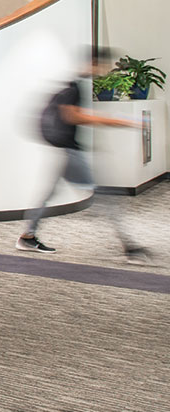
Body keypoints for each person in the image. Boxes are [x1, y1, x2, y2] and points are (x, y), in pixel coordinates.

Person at [18, 47, 150, 264]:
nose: (106, 70)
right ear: (94, 63)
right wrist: (124, 121)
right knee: (105, 197)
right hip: (70, 151)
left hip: (66, 149)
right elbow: (75, 117)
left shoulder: (73, 85)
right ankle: (130, 248)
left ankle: (28, 236)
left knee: (49, 193)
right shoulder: (75, 88)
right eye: (104, 65)